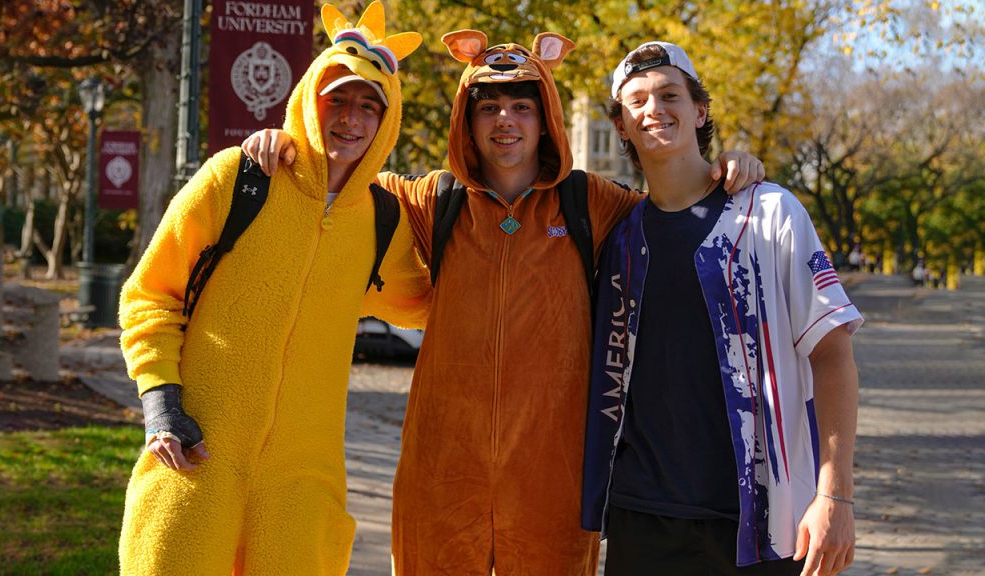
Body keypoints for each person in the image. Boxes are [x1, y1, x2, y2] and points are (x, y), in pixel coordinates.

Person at [242, 31, 763, 574]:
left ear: (547, 121)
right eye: (487, 107)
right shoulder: (432, 200)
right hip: (442, 477)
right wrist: (288, 143)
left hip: (553, 480)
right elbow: (343, 178)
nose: (505, 120)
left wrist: (728, 167)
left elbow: (676, 204)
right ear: (468, 122)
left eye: (521, 106)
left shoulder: (591, 203)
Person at [116, 3, 426, 574]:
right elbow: (149, 294)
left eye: (368, 106)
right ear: (310, 99)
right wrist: (161, 403)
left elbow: (428, 305)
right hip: (196, 456)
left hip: (302, 482)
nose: (351, 119)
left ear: (388, 121)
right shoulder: (237, 177)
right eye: (338, 99)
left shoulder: (384, 219)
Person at [585, 41, 862, 576]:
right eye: (637, 100)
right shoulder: (616, 235)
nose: (654, 109)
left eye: (670, 95)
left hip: (765, 522)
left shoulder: (768, 213)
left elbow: (833, 356)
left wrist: (836, 495)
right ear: (620, 124)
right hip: (643, 520)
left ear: (700, 110)